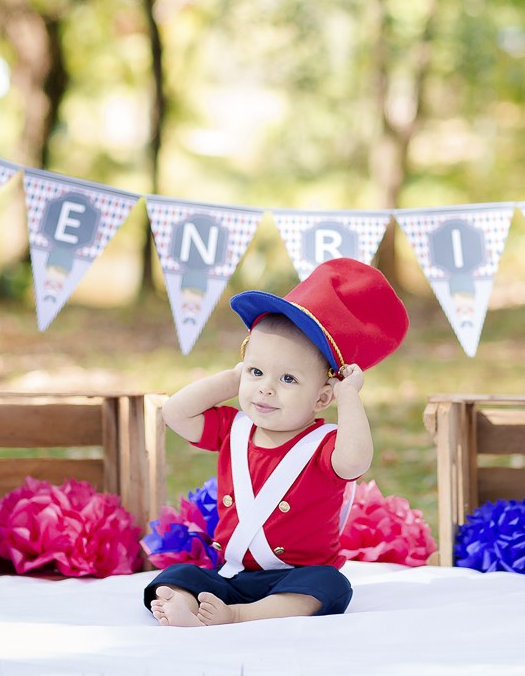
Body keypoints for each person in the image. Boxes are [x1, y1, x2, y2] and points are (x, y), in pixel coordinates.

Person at [145, 258, 408, 626]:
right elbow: (174, 413)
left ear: (321, 398)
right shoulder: (232, 429)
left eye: (288, 378)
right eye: (256, 371)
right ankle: (187, 603)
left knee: (329, 584)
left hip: (293, 578)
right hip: (231, 574)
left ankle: (237, 616)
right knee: (182, 575)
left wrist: (348, 395)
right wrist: (235, 377)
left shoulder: (323, 444)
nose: (265, 387)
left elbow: (355, 462)